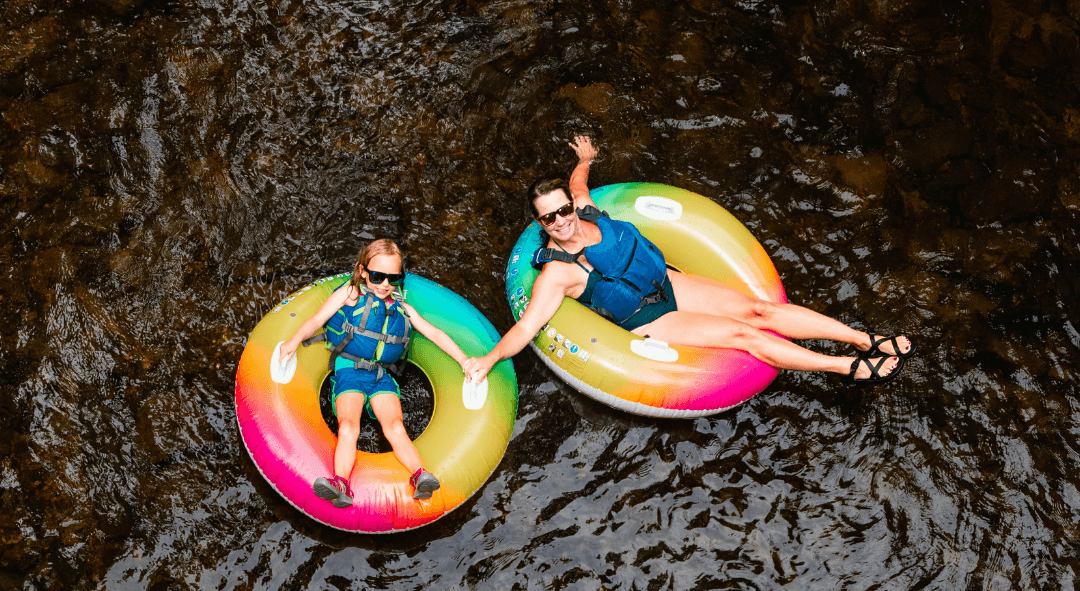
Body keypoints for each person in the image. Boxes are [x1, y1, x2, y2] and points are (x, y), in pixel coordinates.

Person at [463, 136, 913, 387]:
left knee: (763, 311)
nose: (561, 221)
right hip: (649, 317)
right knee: (745, 334)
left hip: (668, 282)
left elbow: (580, 183)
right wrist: (487, 359)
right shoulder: (557, 273)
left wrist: (585, 159)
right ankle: (844, 368)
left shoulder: (583, 207)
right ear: (540, 224)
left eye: (562, 210)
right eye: (549, 218)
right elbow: (526, 328)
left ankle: (860, 339)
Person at [279, 240, 468, 508]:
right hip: (349, 370)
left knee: (394, 425)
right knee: (348, 425)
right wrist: (292, 341)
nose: (385, 284)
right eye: (378, 276)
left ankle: (419, 476)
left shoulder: (402, 307)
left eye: (394, 278)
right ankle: (340, 484)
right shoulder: (350, 294)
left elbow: (435, 333)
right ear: (363, 271)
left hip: (381, 375)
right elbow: (317, 320)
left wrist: (464, 360)